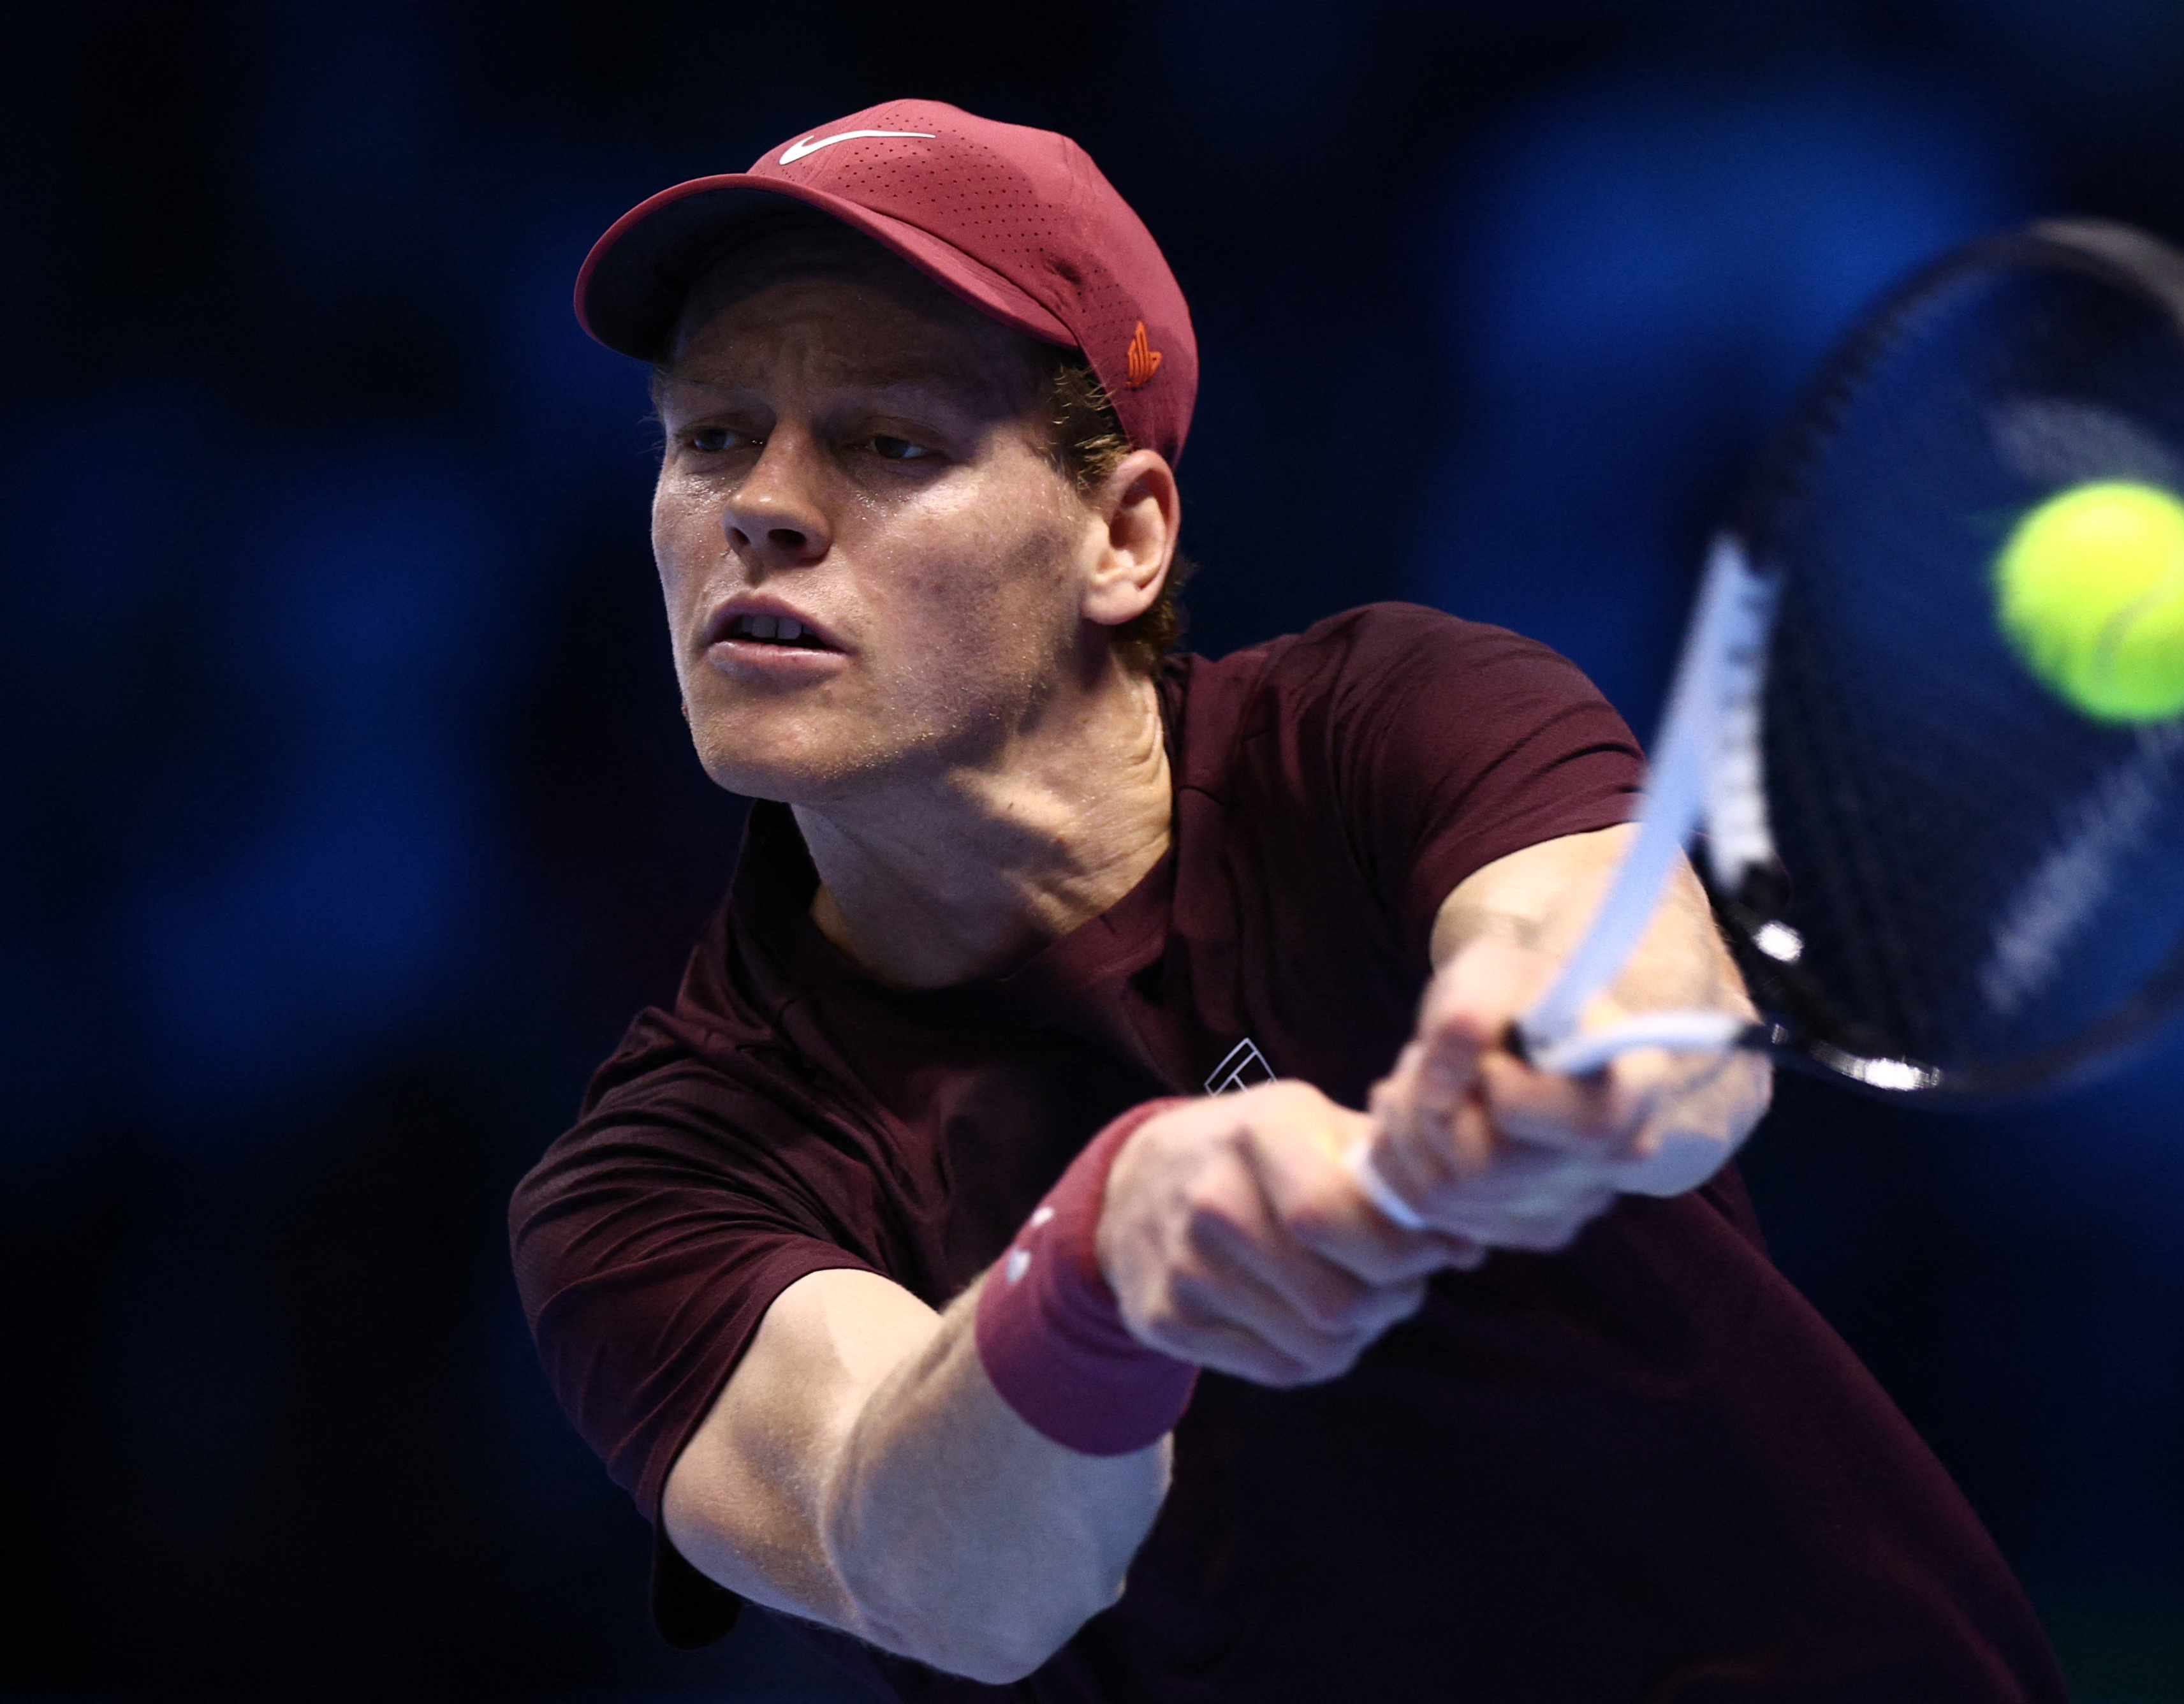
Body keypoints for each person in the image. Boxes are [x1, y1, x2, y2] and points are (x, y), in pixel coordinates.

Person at [510, 98, 2070, 1703]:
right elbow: (935, 1572)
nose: (758, 506)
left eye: (886, 442)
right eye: (710, 437)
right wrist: (1097, 1270)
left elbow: (1638, 995)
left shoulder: (1392, 718)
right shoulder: (653, 1180)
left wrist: (1532, 1060)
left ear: (1122, 537)